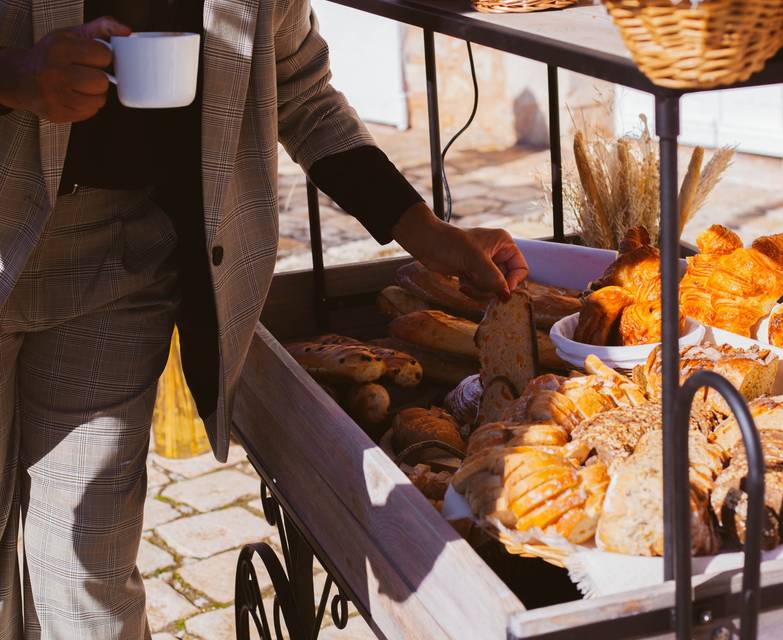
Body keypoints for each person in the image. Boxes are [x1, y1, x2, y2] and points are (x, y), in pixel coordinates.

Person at [0, 2, 528, 638]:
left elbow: (299, 88)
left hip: (123, 260)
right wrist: (15, 76)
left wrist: (425, 230)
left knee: (88, 559)